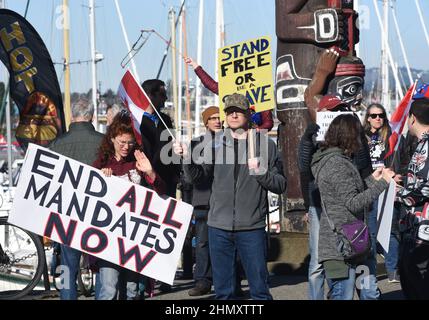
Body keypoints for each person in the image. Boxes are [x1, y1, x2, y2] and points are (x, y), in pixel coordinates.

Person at [175, 93, 287, 300]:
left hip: (252, 228)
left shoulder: (266, 145)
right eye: (229, 112)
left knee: (260, 292)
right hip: (218, 228)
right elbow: (197, 180)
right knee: (224, 293)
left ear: (247, 114)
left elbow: (281, 184)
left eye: (238, 111)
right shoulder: (213, 144)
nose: (233, 115)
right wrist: (187, 159)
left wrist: (260, 171)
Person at [311, 114, 393, 300]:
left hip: (352, 243)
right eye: (358, 134)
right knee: (342, 295)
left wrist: (373, 179)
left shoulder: (339, 159)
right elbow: (353, 202)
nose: (362, 139)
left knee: (367, 292)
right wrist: (383, 184)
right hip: (341, 247)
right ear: (349, 135)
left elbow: (346, 192)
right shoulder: (337, 164)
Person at [93, 110, 165, 300]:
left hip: (134, 236)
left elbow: (160, 193)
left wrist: (150, 173)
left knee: (133, 290)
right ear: (112, 139)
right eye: (122, 142)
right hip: (108, 235)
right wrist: (100, 176)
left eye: (130, 142)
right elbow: (88, 193)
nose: (126, 147)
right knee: (109, 289)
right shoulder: (102, 161)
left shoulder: (138, 161)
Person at [48, 99, 104, 300]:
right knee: (100, 269)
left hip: (67, 213)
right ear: (92, 116)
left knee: (68, 267)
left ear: (72, 116)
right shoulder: (103, 142)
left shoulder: (56, 144)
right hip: (99, 214)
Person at [176, 106, 222, 296]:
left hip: (223, 200)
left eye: (219, 117)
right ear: (206, 122)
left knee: (223, 243)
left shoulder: (231, 141)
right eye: (212, 118)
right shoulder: (196, 144)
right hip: (203, 199)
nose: (217, 121)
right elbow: (190, 175)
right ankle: (202, 280)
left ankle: (224, 280)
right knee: (202, 243)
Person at [363, 103, 402, 284]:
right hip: (370, 187)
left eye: (381, 115)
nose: (378, 118)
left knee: (390, 230)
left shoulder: (392, 137)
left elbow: (399, 159)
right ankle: (370, 272)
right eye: (374, 115)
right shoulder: (361, 138)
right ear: (368, 118)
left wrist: (397, 173)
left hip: (387, 186)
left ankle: (392, 270)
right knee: (370, 231)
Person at [396, 94, 429, 299]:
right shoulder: (420, 143)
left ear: (412, 118)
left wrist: (400, 194)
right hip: (413, 226)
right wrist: (404, 181)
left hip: (423, 230)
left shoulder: (426, 145)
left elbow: (426, 186)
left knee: (420, 284)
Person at [184, 57, 274, 131]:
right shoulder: (234, 92)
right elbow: (211, 84)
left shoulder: (262, 95)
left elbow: (268, 123)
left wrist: (257, 130)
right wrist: (195, 66)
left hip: (254, 138)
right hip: (234, 136)